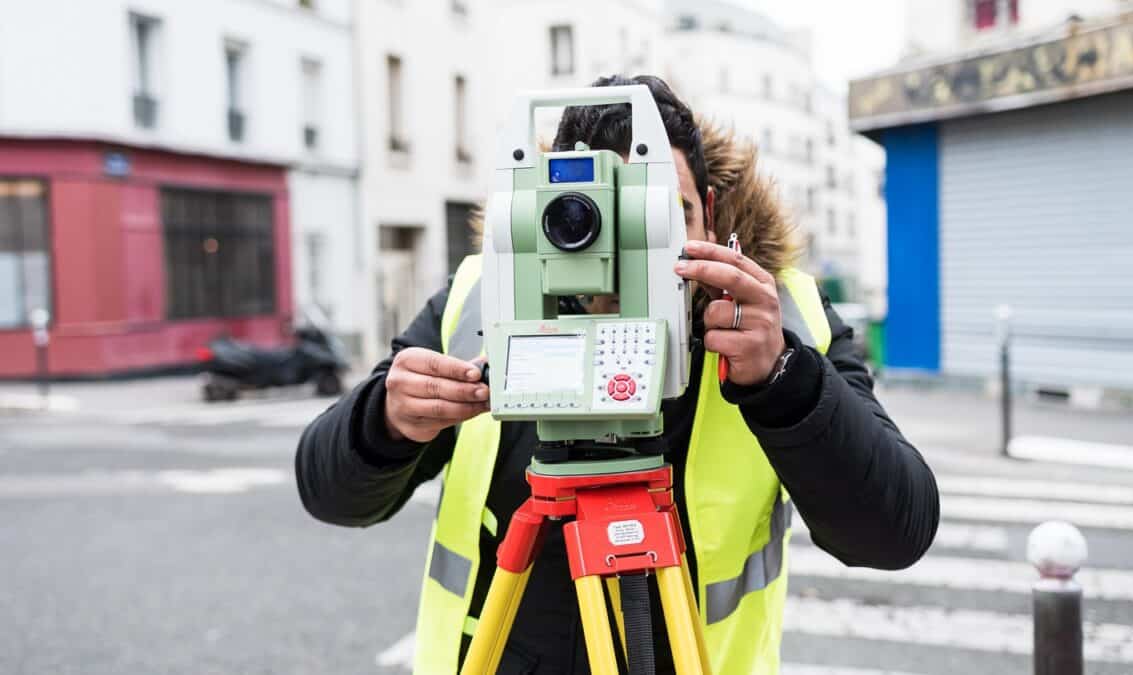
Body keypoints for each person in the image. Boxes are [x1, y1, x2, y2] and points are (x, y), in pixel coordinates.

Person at [296, 74, 939, 674]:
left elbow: (894, 533)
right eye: (592, 220)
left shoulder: (780, 320)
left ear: (709, 214)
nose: (628, 256)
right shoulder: (480, 304)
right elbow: (330, 493)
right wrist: (384, 421)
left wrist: (785, 381)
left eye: (660, 217)